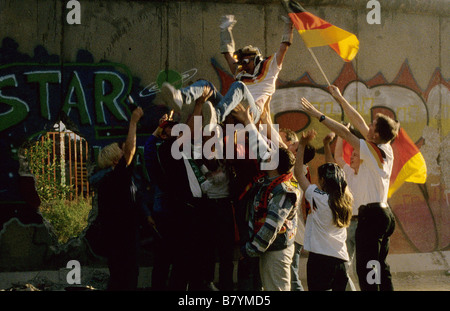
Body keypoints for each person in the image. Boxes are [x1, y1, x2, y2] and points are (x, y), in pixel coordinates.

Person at [300, 85, 400, 291]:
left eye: (373, 126)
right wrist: (340, 99)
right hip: (384, 214)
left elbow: (346, 132)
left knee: (367, 269)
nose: (368, 127)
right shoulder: (384, 148)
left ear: (377, 134)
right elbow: (359, 122)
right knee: (380, 266)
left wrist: (319, 116)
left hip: (371, 216)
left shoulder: (374, 152)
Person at [232, 104, 300, 291]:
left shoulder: (283, 191)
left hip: (276, 252)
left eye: (269, 156)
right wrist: (247, 121)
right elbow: (259, 146)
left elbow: (272, 226)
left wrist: (249, 250)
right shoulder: (274, 178)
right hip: (269, 250)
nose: (265, 156)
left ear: (275, 164)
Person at [294, 130, 353, 291]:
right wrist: (327, 145)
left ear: (321, 181)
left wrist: (302, 145)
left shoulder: (318, 197)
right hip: (341, 261)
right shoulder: (345, 198)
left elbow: (299, 173)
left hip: (320, 261)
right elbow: (333, 170)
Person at [96, 106, 144, 291]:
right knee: (126, 279)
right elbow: (131, 150)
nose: (124, 151)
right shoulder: (117, 178)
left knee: (120, 278)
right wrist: (133, 122)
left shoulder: (109, 181)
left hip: (118, 240)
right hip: (122, 241)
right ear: (116, 161)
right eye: (120, 151)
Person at [143, 113, 178, 290]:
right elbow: (148, 147)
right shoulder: (161, 154)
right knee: (165, 259)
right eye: (169, 129)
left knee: (169, 259)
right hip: (167, 212)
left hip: (172, 212)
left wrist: (163, 126)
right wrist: (161, 127)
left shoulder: (180, 151)